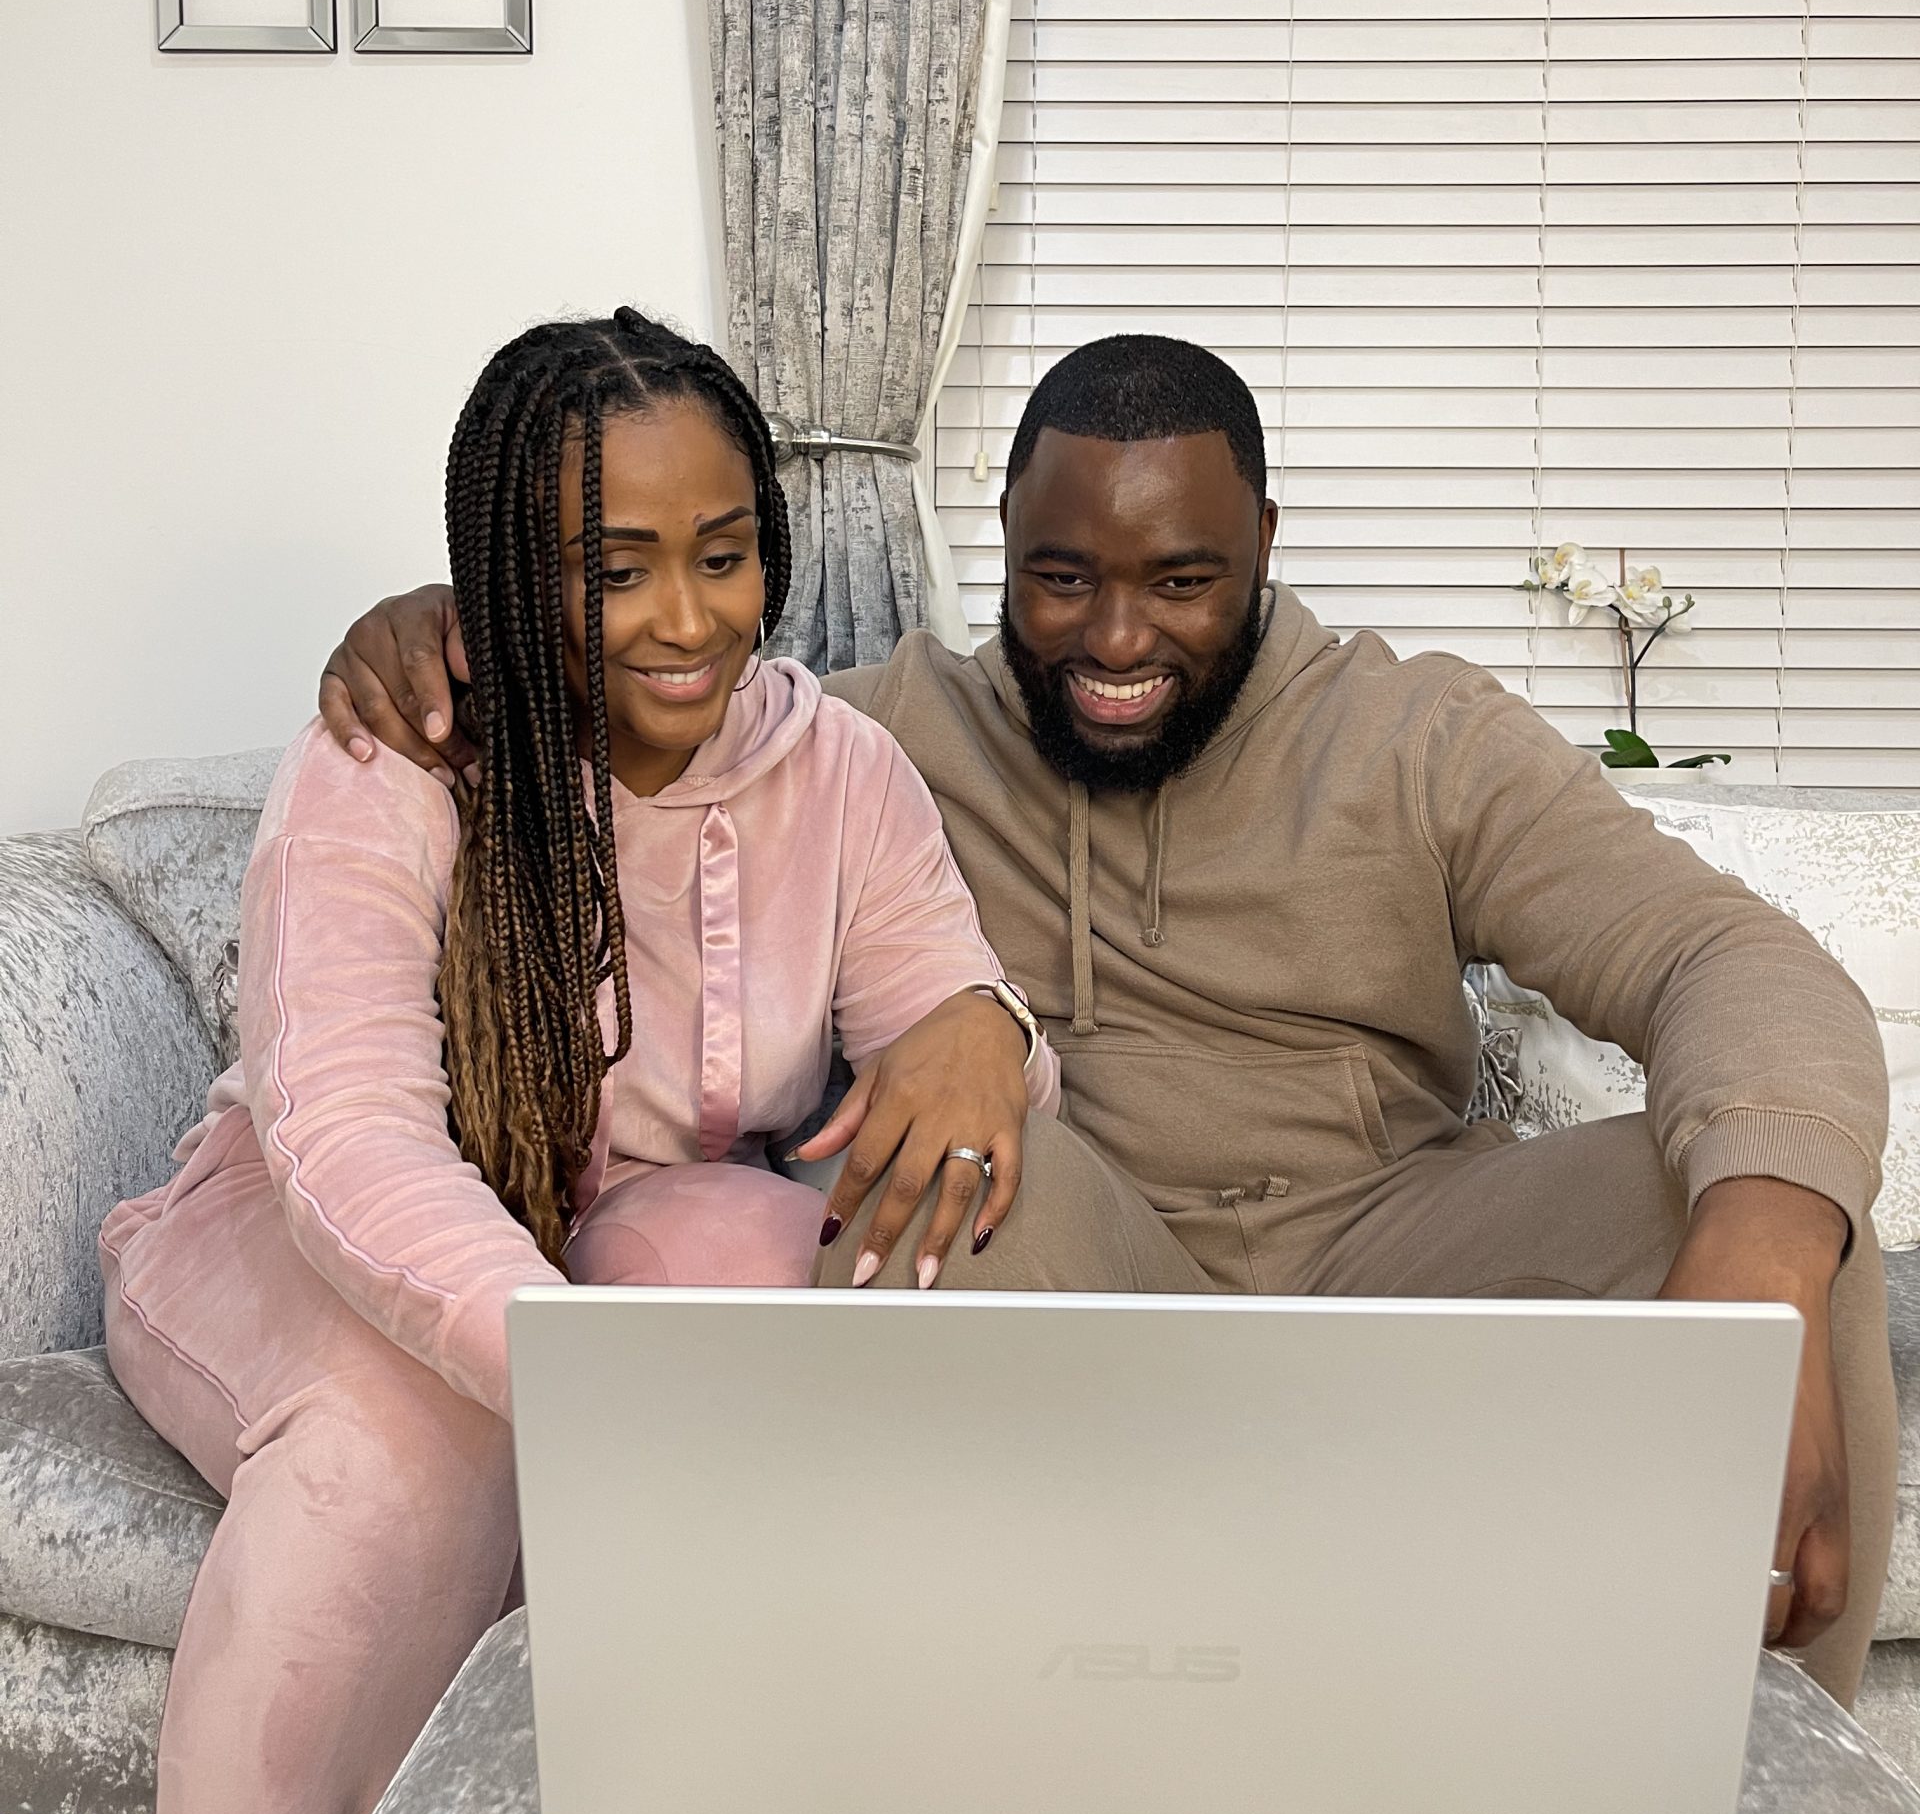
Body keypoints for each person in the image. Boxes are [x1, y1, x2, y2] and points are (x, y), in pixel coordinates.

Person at [319, 332, 1894, 1727]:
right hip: (1079, 1264)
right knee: (930, 1195)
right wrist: (457, 632)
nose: (1116, 640)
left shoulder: (1418, 734)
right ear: (1004, 538)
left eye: (1182, 582)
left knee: (1780, 1214)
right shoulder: (878, 733)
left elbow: (1722, 958)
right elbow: (651, 678)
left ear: (1265, 545)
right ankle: (983, 1797)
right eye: (1063, 580)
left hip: (1390, 1251)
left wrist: (1751, 1276)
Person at [27, 312, 1055, 1814]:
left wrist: (986, 1031)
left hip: (622, 1221)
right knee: (398, 1448)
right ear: (512, 574)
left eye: (725, 556)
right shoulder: (394, 758)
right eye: (618, 568)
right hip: (283, 1224)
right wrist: (589, 1382)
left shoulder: (843, 774)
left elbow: (946, 1048)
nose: (688, 617)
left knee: (769, 1278)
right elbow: (343, 1138)